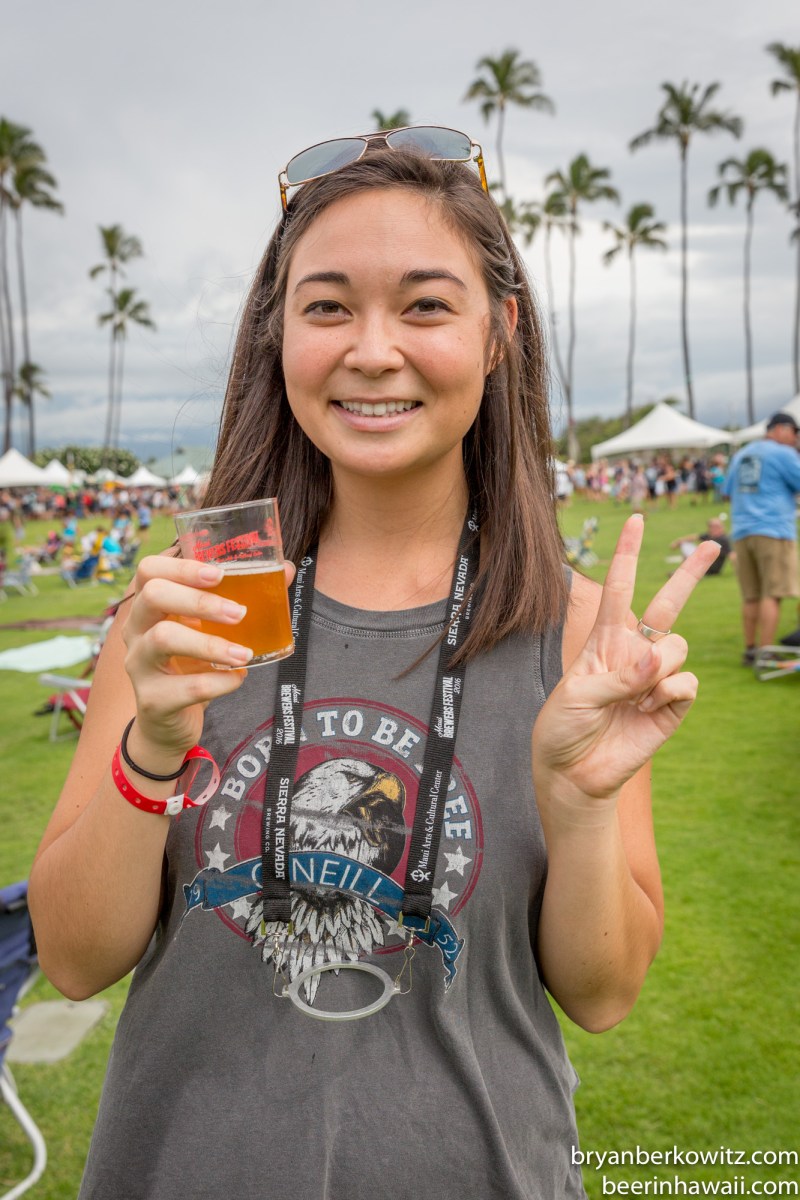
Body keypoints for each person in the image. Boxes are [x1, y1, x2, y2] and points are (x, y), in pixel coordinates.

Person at [28, 127, 718, 1200]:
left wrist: (578, 802)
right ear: (278, 335)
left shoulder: (577, 635)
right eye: (328, 305)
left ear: (499, 333)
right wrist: (152, 741)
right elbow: (71, 960)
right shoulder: (185, 613)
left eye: (425, 304)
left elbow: (603, 990)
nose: (372, 347)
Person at [724, 411, 800, 665]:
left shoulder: (742, 454)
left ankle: (750, 650)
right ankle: (766, 653)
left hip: (742, 531)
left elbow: (728, 491)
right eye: (794, 432)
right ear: (781, 429)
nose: (795, 439)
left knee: (751, 595)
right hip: (773, 530)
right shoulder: (782, 453)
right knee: (772, 593)